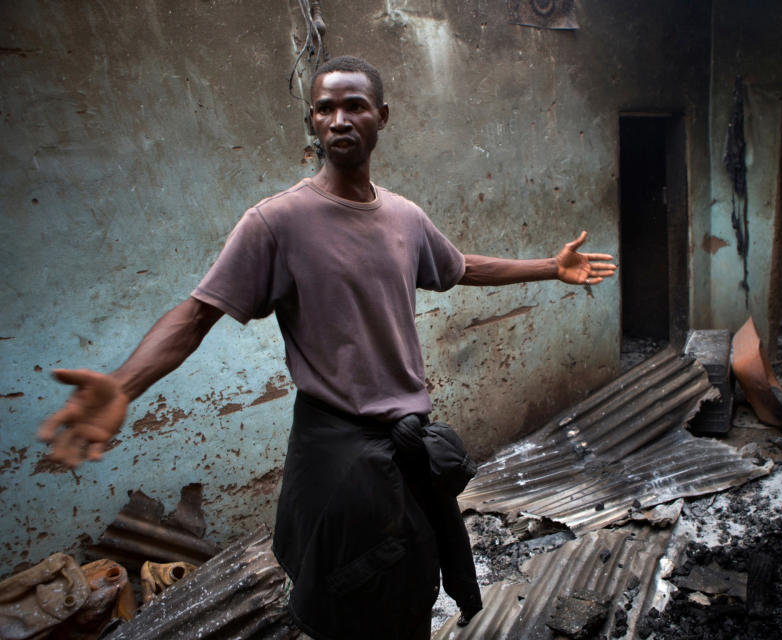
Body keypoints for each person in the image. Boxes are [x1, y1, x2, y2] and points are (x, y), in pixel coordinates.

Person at [37, 55, 617, 639]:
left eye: (354, 105)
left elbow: (458, 267)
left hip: (405, 450)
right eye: (325, 108)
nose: (339, 119)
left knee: (411, 594)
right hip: (337, 456)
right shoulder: (275, 223)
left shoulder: (405, 218)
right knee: (346, 606)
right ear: (312, 122)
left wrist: (549, 267)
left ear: (381, 117)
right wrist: (124, 385)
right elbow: (195, 315)